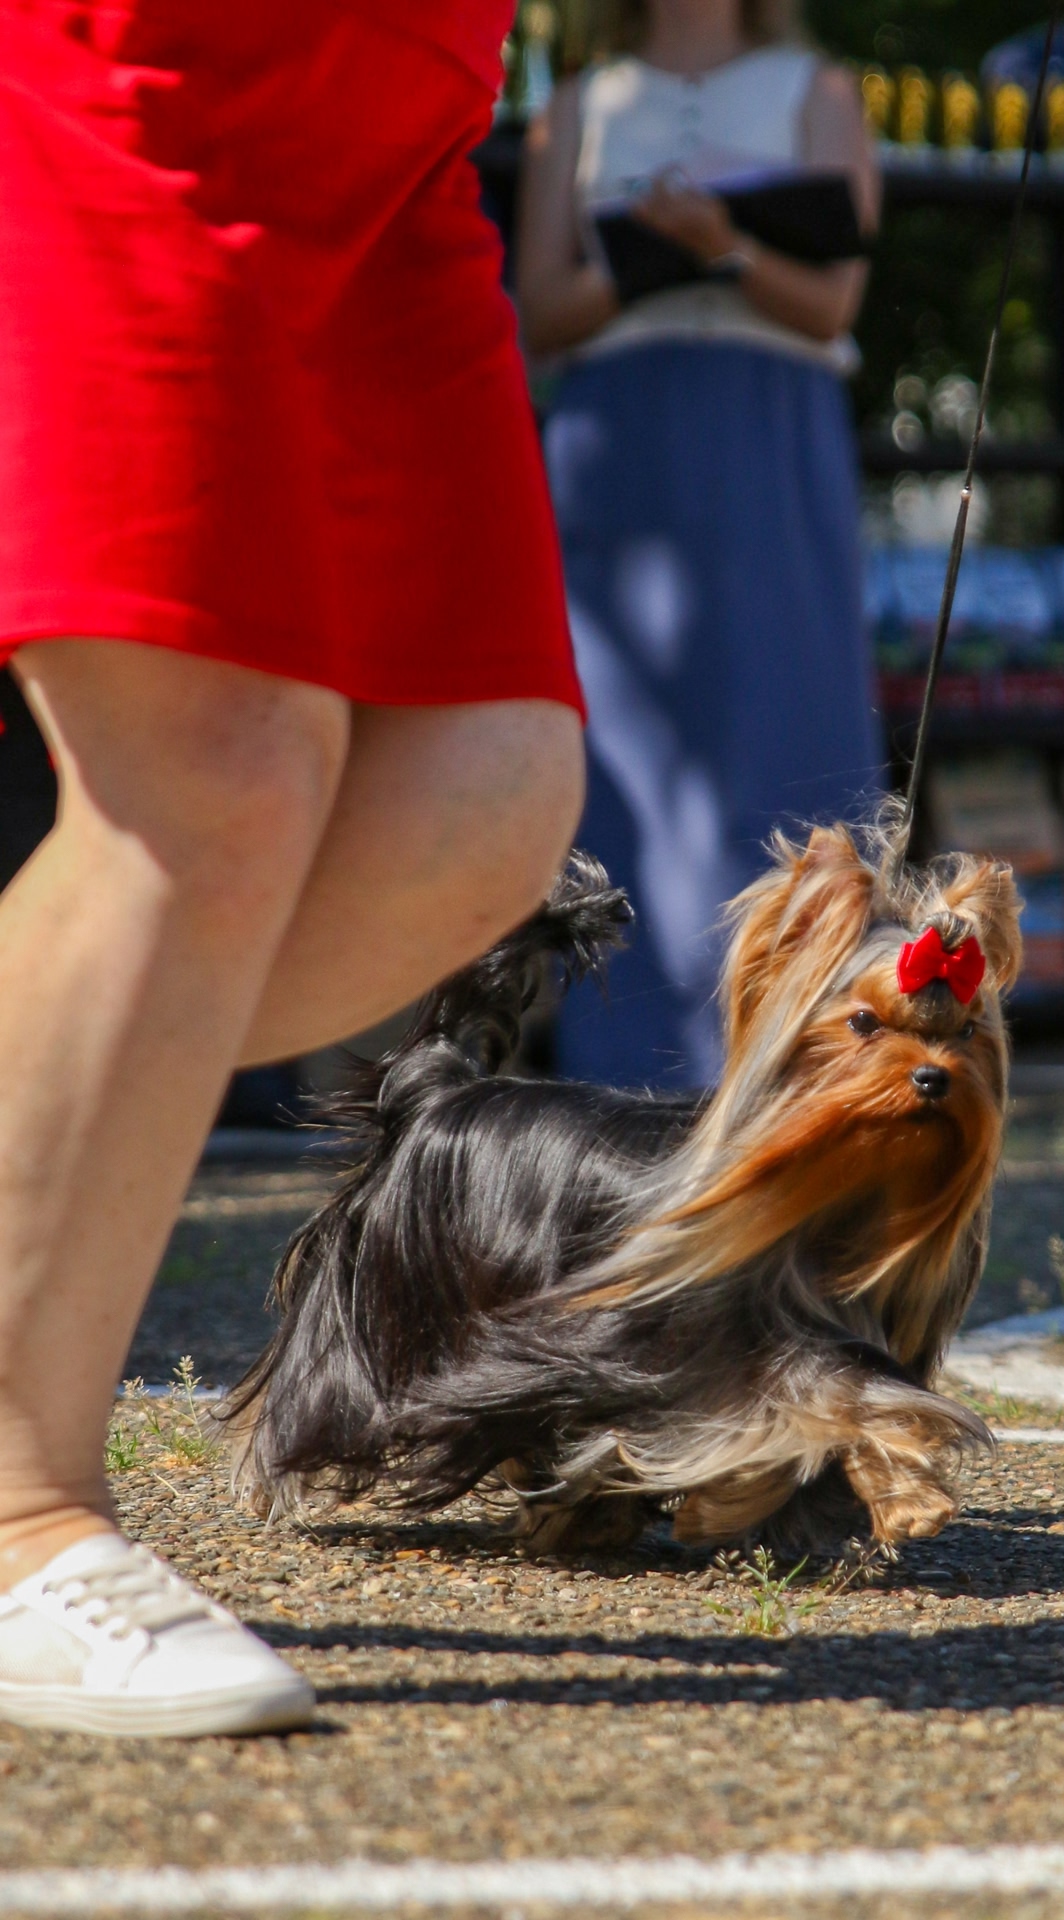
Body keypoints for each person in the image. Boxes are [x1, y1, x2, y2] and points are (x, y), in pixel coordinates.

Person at [0, 0, 585, 1735]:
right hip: (137, 60)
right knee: (217, 767)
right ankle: (20, 1515)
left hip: (395, 118)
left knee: (481, 786)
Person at [516, 0, 883, 1087]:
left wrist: (721, 250)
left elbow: (831, 303)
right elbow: (538, 308)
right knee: (619, 764)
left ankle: (794, 1065)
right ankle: (621, 1079)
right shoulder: (576, 107)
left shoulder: (818, 90)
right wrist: (646, 263)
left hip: (769, 433)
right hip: (615, 445)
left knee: (786, 739)